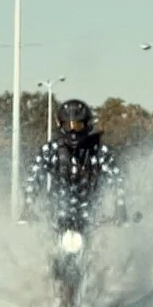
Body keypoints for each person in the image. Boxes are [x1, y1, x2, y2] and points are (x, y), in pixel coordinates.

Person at [22, 99, 126, 231]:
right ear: (60, 125)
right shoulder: (50, 150)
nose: (73, 131)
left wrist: (120, 207)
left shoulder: (99, 151)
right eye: (68, 125)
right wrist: (28, 206)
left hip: (92, 220)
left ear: (87, 125)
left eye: (78, 125)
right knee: (38, 246)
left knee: (107, 246)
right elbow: (34, 177)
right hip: (54, 218)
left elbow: (116, 179)